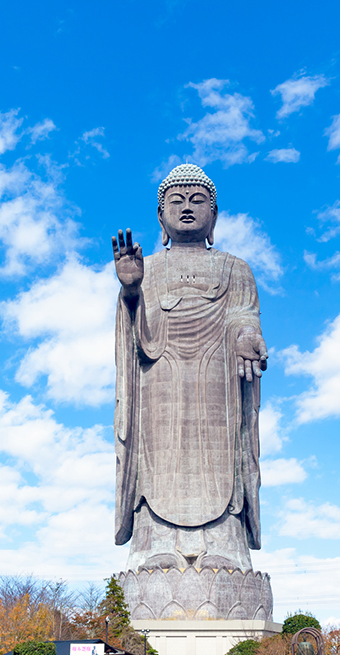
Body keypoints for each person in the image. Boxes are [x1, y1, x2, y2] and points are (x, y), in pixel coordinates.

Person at [113, 163, 268, 574]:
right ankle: (154, 543)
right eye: (175, 201)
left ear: (213, 216)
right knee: (157, 459)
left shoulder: (236, 269)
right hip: (159, 381)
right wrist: (131, 290)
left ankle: (225, 545)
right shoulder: (149, 268)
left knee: (223, 456)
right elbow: (136, 334)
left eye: (198, 201)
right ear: (160, 216)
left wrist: (247, 337)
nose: (186, 208)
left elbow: (243, 317)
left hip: (217, 383)